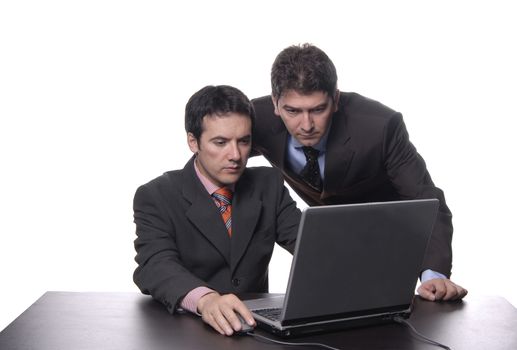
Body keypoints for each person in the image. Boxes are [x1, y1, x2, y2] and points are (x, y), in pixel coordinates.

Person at [252, 43, 467, 301]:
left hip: (390, 233)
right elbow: (214, 149)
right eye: (293, 111)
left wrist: (435, 276)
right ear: (275, 104)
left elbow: (426, 197)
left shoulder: (380, 127)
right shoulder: (255, 119)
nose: (306, 125)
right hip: (330, 242)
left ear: (336, 99)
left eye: (318, 109)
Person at [132, 85, 301, 336]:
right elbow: (155, 264)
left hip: (256, 330)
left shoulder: (269, 184)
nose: (235, 155)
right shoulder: (156, 195)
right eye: (220, 142)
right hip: (187, 332)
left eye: (244, 141)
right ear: (193, 141)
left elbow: (309, 246)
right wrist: (206, 299)